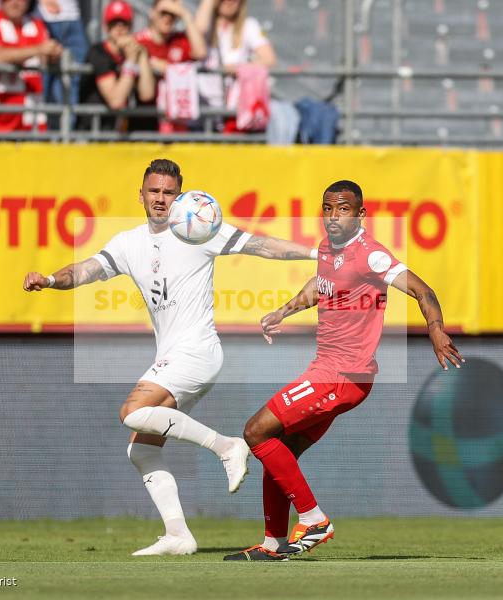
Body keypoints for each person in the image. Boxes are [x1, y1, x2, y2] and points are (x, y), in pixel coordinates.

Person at [23, 159, 318, 556]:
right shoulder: (128, 243)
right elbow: (86, 270)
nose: (160, 199)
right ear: (141, 195)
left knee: (131, 410)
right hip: (173, 356)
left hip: (196, 351)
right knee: (141, 448)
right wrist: (50, 279)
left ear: (179, 196)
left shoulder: (199, 229)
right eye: (154, 191)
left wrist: (316, 253)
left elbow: (262, 245)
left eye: (168, 192)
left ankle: (227, 446)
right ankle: (178, 535)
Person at [224, 180, 464, 561]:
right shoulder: (326, 248)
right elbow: (319, 287)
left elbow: (424, 291)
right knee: (278, 451)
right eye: (328, 209)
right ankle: (273, 545)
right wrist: (282, 312)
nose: (333, 217)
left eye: (343, 209)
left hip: (343, 375)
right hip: (328, 371)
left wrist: (436, 331)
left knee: (255, 431)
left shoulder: (370, 255)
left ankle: (315, 520)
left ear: (360, 214)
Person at [0, 0, 63, 131]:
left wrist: (54, 54)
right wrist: (39, 49)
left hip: (31, 120)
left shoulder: (36, 24)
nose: (14, 3)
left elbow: (45, 59)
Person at [194, 0, 275, 129]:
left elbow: (269, 59)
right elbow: (198, 30)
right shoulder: (206, 23)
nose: (229, 2)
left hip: (233, 109)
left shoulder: (249, 25)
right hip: (204, 104)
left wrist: (240, 68)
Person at [77, 0, 155, 132]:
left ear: (130, 26)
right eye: (114, 23)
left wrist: (141, 55)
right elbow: (116, 101)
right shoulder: (98, 52)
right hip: (92, 134)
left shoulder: (133, 52)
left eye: (123, 23)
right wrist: (130, 61)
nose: (119, 28)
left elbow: (147, 94)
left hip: (118, 135)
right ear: (106, 27)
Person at [133, 0, 206, 131]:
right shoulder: (139, 41)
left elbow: (200, 52)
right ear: (152, 13)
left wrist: (185, 15)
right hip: (146, 117)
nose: (167, 18)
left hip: (176, 121)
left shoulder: (180, 40)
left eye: (172, 14)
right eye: (163, 13)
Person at [37, 0, 88, 127]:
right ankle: (48, 135)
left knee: (73, 82)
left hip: (74, 18)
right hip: (44, 17)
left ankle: (66, 135)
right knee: (44, 83)